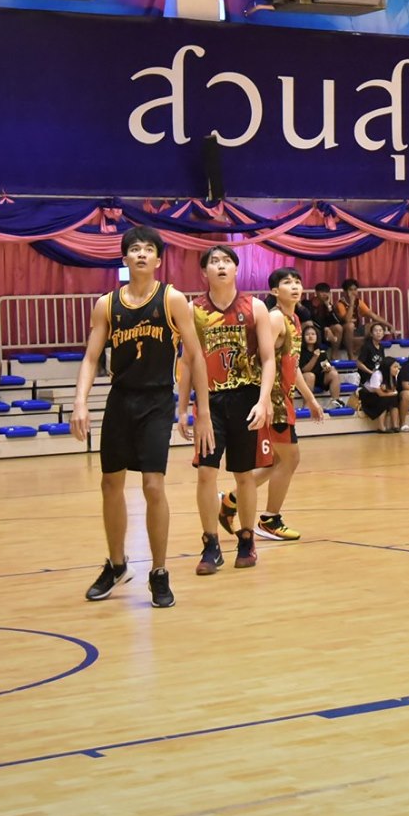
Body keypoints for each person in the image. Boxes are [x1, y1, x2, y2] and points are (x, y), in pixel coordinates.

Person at [71, 226, 208, 609]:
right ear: (125, 258)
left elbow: (195, 356)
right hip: (121, 399)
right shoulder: (106, 304)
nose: (142, 254)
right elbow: (91, 357)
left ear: (159, 259)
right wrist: (80, 402)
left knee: (152, 486)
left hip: (156, 401)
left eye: (149, 249)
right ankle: (117, 565)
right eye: (135, 249)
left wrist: (201, 410)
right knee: (110, 483)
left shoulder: (173, 300)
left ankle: (159, 572)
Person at [188, 246, 275, 577]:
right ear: (204, 272)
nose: (221, 266)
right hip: (209, 401)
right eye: (214, 262)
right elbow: (188, 360)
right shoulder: (194, 310)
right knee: (205, 472)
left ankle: (246, 539)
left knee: (244, 474)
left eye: (227, 261)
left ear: (236, 269)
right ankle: (210, 543)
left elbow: (268, 358)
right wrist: (183, 408)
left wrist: (264, 400)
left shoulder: (255, 307)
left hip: (247, 398)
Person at [221, 268, 325, 543]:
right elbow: (258, 358)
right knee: (290, 459)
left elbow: (293, 365)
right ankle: (269, 520)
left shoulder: (295, 320)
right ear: (275, 291)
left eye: (297, 281)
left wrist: (310, 398)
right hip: (272, 400)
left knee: (276, 462)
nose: (295, 286)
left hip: (284, 397)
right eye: (287, 283)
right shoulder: (276, 318)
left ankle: (232, 500)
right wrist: (262, 398)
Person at [335, 277, 391, 344]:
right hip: (346, 331)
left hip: (357, 329)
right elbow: (347, 320)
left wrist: (389, 325)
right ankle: (355, 343)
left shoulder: (358, 302)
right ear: (345, 291)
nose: (353, 292)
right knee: (350, 326)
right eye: (350, 290)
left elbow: (373, 316)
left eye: (355, 289)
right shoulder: (340, 304)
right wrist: (352, 303)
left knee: (377, 325)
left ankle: (368, 344)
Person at [359, 355, 407, 432]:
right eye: (395, 367)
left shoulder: (394, 375)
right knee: (385, 399)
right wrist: (392, 393)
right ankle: (381, 427)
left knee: (394, 399)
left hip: (381, 395)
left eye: (397, 367)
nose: (397, 369)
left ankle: (395, 425)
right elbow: (381, 394)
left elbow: (392, 390)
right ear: (387, 367)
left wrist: (391, 392)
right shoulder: (377, 375)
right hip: (368, 396)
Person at [297, 322, 338, 405]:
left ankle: (336, 402)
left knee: (333, 373)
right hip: (304, 379)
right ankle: (307, 405)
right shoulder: (301, 351)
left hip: (319, 378)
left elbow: (325, 365)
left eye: (313, 334)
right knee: (310, 376)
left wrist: (328, 368)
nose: (310, 336)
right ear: (303, 337)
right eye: (307, 334)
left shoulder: (321, 351)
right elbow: (304, 370)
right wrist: (315, 357)